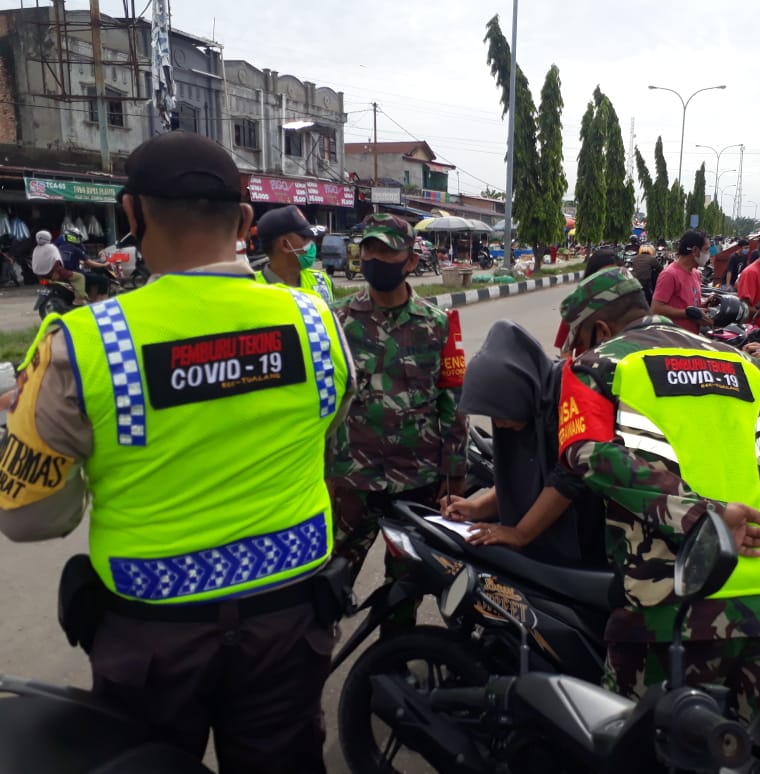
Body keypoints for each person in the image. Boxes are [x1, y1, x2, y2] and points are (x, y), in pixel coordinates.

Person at [0, 131, 355, 773]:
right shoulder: (315, 322)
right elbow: (328, 425)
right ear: (246, 221)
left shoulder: (81, 345)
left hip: (151, 644)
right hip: (290, 626)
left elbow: (29, 518)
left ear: (132, 215)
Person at [556, 268, 760, 715]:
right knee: (749, 750)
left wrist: (704, 518)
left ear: (600, 329)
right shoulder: (744, 362)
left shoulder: (598, 365)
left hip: (669, 604)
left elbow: (587, 456)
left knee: (641, 743)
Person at [329, 213, 468, 594]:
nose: (374, 258)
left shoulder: (438, 323)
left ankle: (398, 651)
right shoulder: (337, 321)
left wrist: (454, 473)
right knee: (330, 582)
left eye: (387, 251)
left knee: (406, 584)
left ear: (410, 261)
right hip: (352, 476)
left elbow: (453, 402)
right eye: (369, 248)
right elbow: (324, 401)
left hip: (416, 477)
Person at [441, 320, 605, 567]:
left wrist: (520, 534)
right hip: (543, 545)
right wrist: (474, 508)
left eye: (500, 413)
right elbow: (521, 479)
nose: (499, 423)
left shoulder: (567, 395)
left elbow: (568, 477)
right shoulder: (524, 408)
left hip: (585, 543)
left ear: (517, 392)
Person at [254, 205, 334, 305]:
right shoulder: (251, 288)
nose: (312, 243)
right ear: (285, 244)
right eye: (304, 237)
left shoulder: (321, 281)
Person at [552, 247, 621, 353]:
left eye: (614, 274)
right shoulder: (578, 304)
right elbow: (565, 353)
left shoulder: (628, 303)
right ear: (592, 276)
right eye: (603, 276)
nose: (609, 280)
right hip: (586, 366)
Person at [650, 230, 714, 335]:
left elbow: (687, 305)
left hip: (691, 337)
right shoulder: (669, 274)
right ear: (695, 250)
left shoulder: (695, 274)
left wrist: (705, 305)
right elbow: (656, 308)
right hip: (673, 340)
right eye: (706, 250)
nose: (708, 254)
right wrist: (688, 314)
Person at [32, 229, 87, 302]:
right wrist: (58, 272)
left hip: (40, 276)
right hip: (54, 274)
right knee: (80, 277)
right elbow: (57, 262)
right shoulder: (51, 248)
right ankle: (79, 299)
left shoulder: (36, 249)